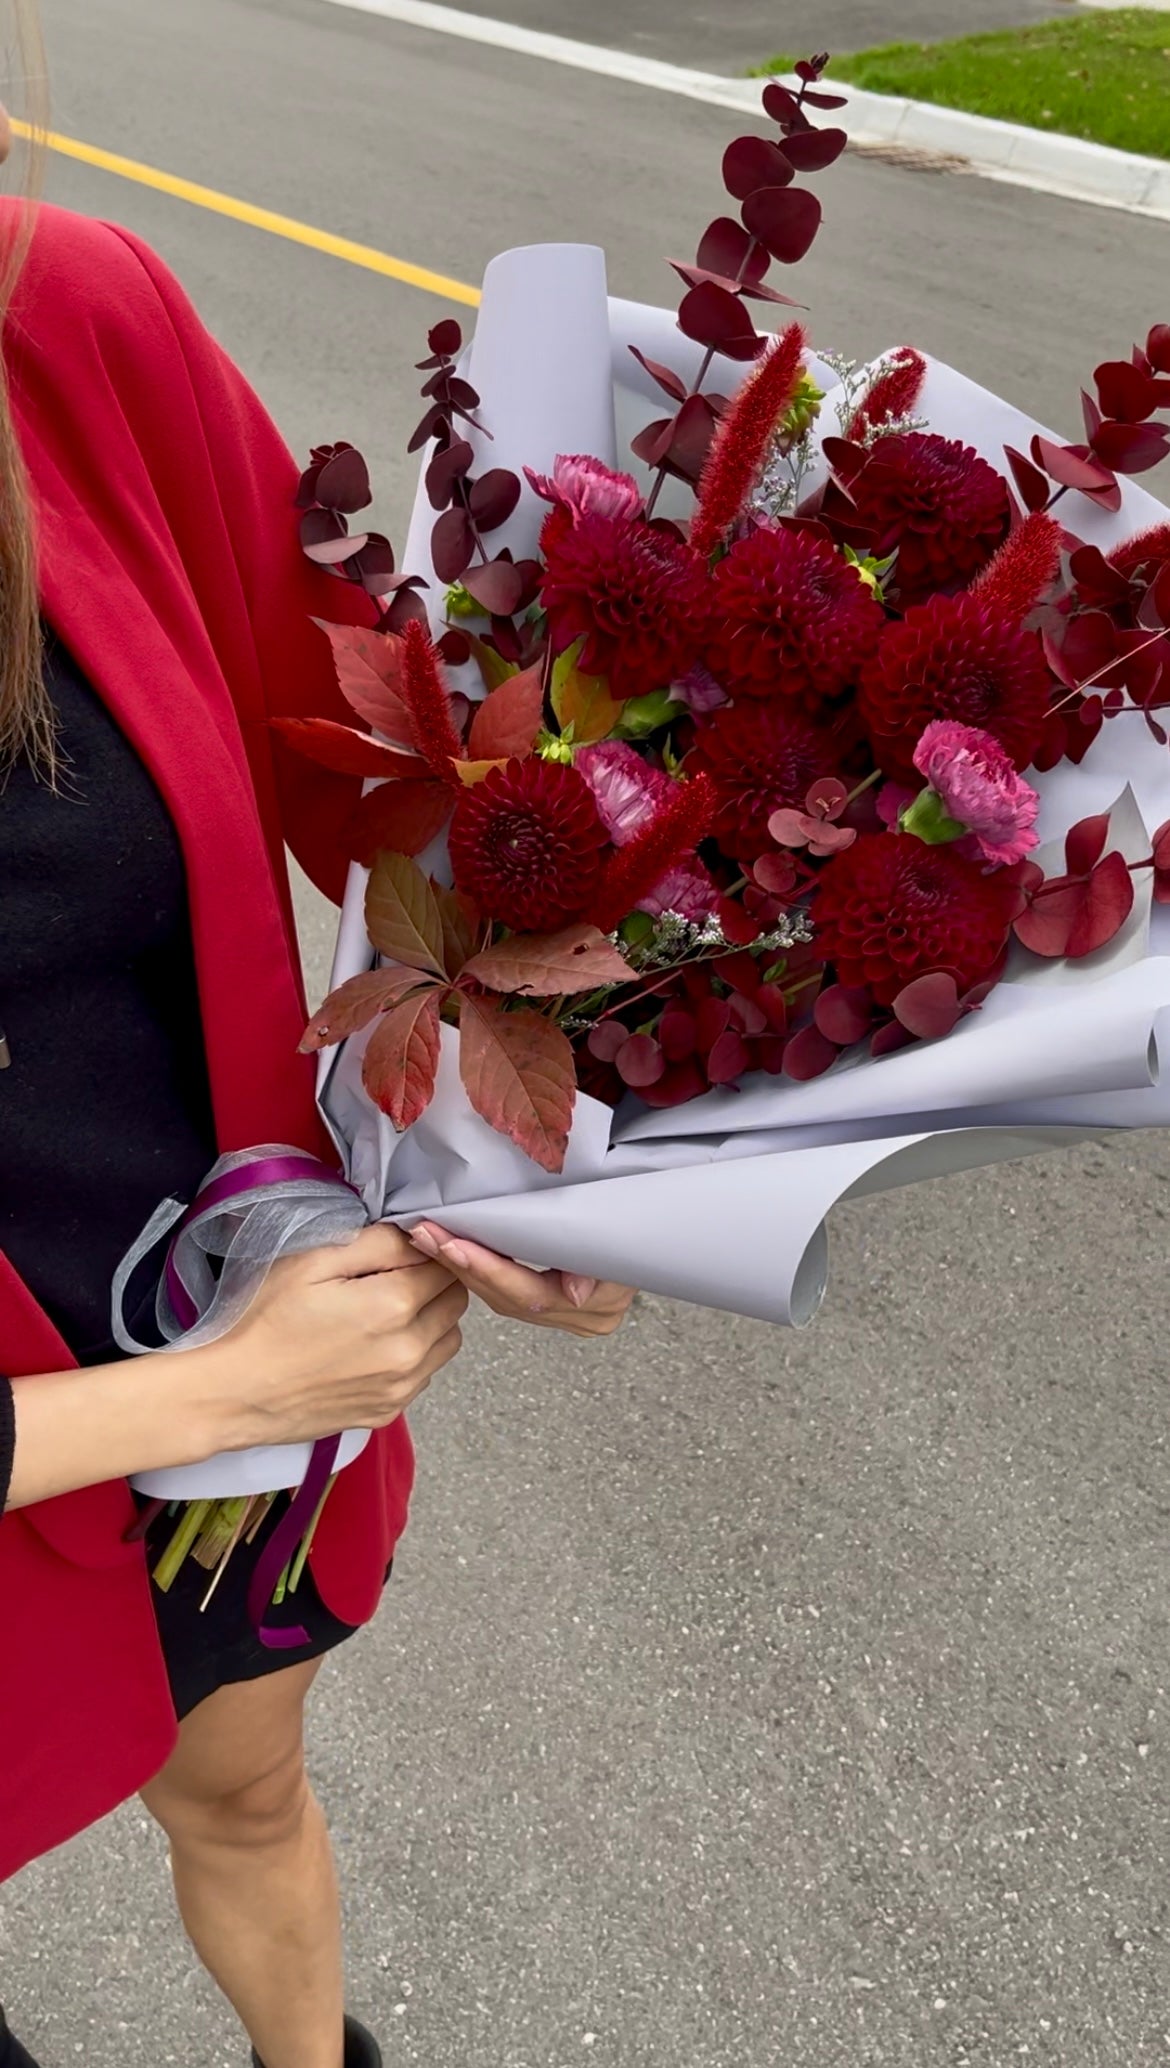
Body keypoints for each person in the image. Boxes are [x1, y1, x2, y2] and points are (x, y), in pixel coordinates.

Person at [0, 26, 633, 2068]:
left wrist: (534, 1132)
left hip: (217, 1339)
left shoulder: (61, 328)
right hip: (145, 1399)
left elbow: (365, 750)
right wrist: (208, 1391)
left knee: (246, 1786)